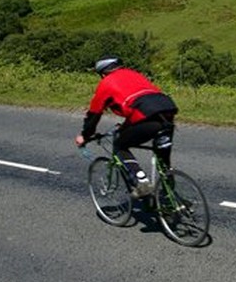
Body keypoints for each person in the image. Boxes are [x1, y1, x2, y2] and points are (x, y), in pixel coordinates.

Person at [75, 56, 178, 198]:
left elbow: (94, 114)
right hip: (167, 111)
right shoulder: (134, 74)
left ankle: (142, 182)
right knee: (162, 154)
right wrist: (126, 126)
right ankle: (170, 193)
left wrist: (85, 135)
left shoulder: (106, 83)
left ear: (102, 73)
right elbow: (141, 103)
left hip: (147, 117)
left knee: (120, 145)